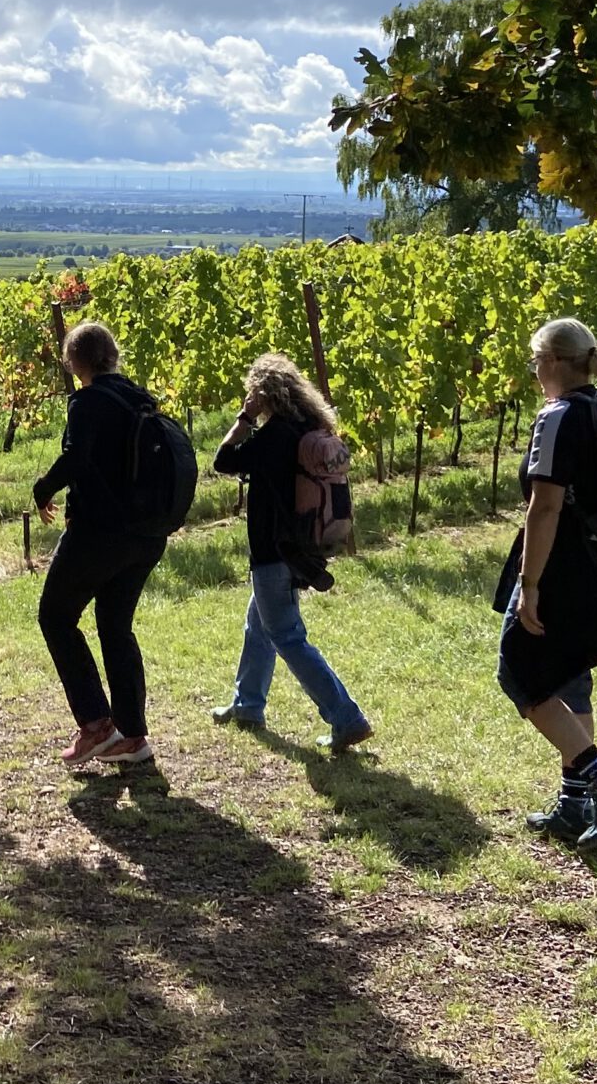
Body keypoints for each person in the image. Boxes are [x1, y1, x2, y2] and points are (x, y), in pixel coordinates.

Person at [498, 319, 597, 849]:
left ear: (555, 362)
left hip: (564, 571)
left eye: (535, 359)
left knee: (521, 675)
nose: (534, 369)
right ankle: (574, 804)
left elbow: (544, 507)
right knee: (570, 679)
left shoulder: (558, 416)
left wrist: (530, 584)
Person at [208, 353, 373, 749]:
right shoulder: (311, 426)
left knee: (286, 634)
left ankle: (346, 716)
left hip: (274, 549)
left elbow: (223, 460)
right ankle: (247, 703)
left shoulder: (276, 435)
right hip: (303, 545)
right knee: (259, 624)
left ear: (264, 395)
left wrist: (245, 418)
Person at [32, 322, 167, 771]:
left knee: (55, 615)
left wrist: (44, 487)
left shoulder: (87, 401)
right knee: (114, 626)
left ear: (76, 362)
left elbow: (78, 457)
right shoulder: (139, 397)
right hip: (146, 535)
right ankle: (133, 737)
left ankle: (95, 725)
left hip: (101, 532)